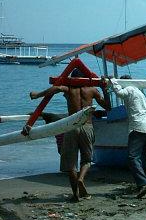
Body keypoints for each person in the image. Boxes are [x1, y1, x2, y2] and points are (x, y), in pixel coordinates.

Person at [28, 69, 111, 202]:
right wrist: (105, 89)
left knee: (71, 164)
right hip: (87, 126)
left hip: (72, 127)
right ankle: (81, 179)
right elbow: (108, 107)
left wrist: (37, 94)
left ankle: (75, 195)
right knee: (87, 160)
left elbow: (54, 89)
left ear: (72, 79)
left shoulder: (68, 89)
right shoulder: (92, 90)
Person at [109, 76, 146, 198]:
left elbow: (120, 93)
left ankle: (143, 183)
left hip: (138, 126)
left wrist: (113, 81)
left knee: (133, 157)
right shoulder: (140, 92)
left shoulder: (130, 89)